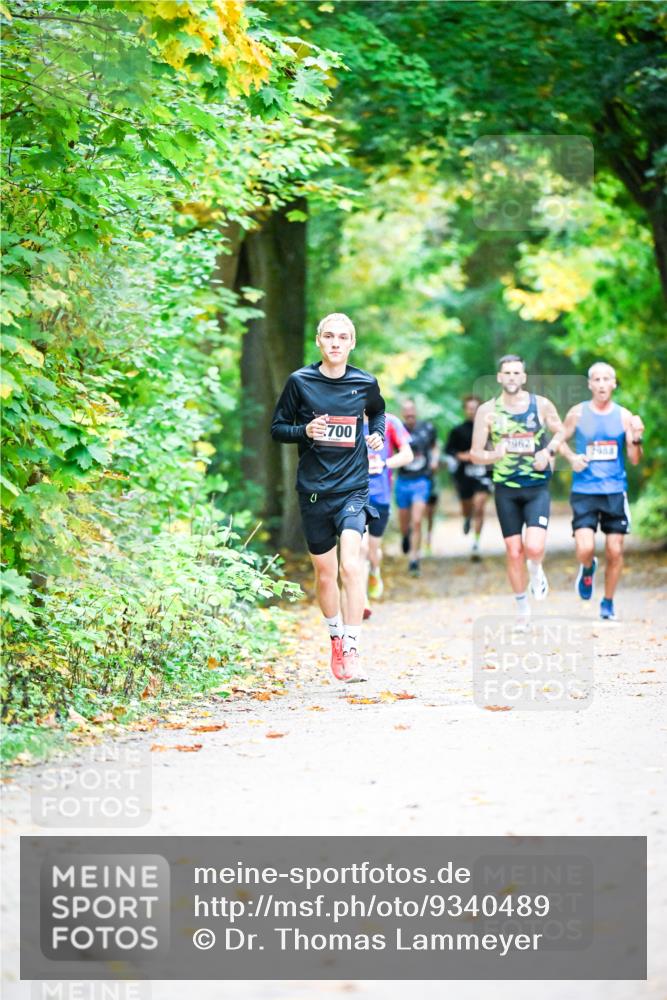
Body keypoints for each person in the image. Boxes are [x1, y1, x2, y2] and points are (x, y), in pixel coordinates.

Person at [270, 313, 385, 682]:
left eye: (343, 337)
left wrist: (377, 434)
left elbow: (378, 413)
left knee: (351, 566)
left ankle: (352, 649)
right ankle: (335, 638)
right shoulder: (300, 382)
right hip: (314, 491)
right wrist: (305, 430)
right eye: (329, 336)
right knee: (325, 574)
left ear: (352, 343)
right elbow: (278, 429)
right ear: (319, 341)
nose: (336, 343)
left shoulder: (365, 382)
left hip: (353, 488)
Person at [470, 355, 566, 629]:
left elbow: (561, 432)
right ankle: (522, 608)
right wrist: (494, 455)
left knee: (533, 547)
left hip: (536, 486)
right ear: (499, 377)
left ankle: (536, 569)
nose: (512, 377)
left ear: (523, 377)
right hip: (506, 489)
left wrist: (548, 452)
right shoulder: (487, 411)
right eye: (507, 373)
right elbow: (475, 454)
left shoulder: (541, 405)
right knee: (514, 551)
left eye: (516, 373)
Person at [559, 362, 644, 621]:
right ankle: (587, 569)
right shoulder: (578, 413)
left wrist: (637, 437)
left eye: (606, 379)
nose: (601, 384)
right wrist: (572, 458)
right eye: (596, 379)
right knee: (585, 548)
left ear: (614, 384)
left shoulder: (624, 417)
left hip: (614, 491)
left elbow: (635, 459)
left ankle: (607, 602)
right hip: (584, 491)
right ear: (590, 384)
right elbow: (558, 440)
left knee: (615, 551)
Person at [361, 412, 414, 616]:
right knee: (360, 547)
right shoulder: (347, 420)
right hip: (354, 494)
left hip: (380, 495)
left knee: (372, 550)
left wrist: (384, 464)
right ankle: (362, 600)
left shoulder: (390, 422)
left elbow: (407, 455)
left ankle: (375, 570)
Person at [444, 395, 493, 560]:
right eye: (470, 408)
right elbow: (449, 450)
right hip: (464, 475)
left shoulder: (489, 430)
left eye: (476, 408)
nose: (473, 411)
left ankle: (476, 544)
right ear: (465, 410)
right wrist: (463, 456)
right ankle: (466, 517)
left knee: (479, 506)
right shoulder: (457, 431)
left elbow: (497, 448)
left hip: (483, 474)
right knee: (467, 506)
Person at [396, 400, 439, 576]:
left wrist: (435, 459)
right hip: (403, 481)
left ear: (416, 411)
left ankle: (414, 559)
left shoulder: (427, 428)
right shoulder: (396, 429)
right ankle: (405, 535)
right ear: (402, 413)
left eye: (412, 410)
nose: (409, 414)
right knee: (404, 521)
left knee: (417, 520)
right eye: (406, 411)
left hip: (422, 480)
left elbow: (435, 447)